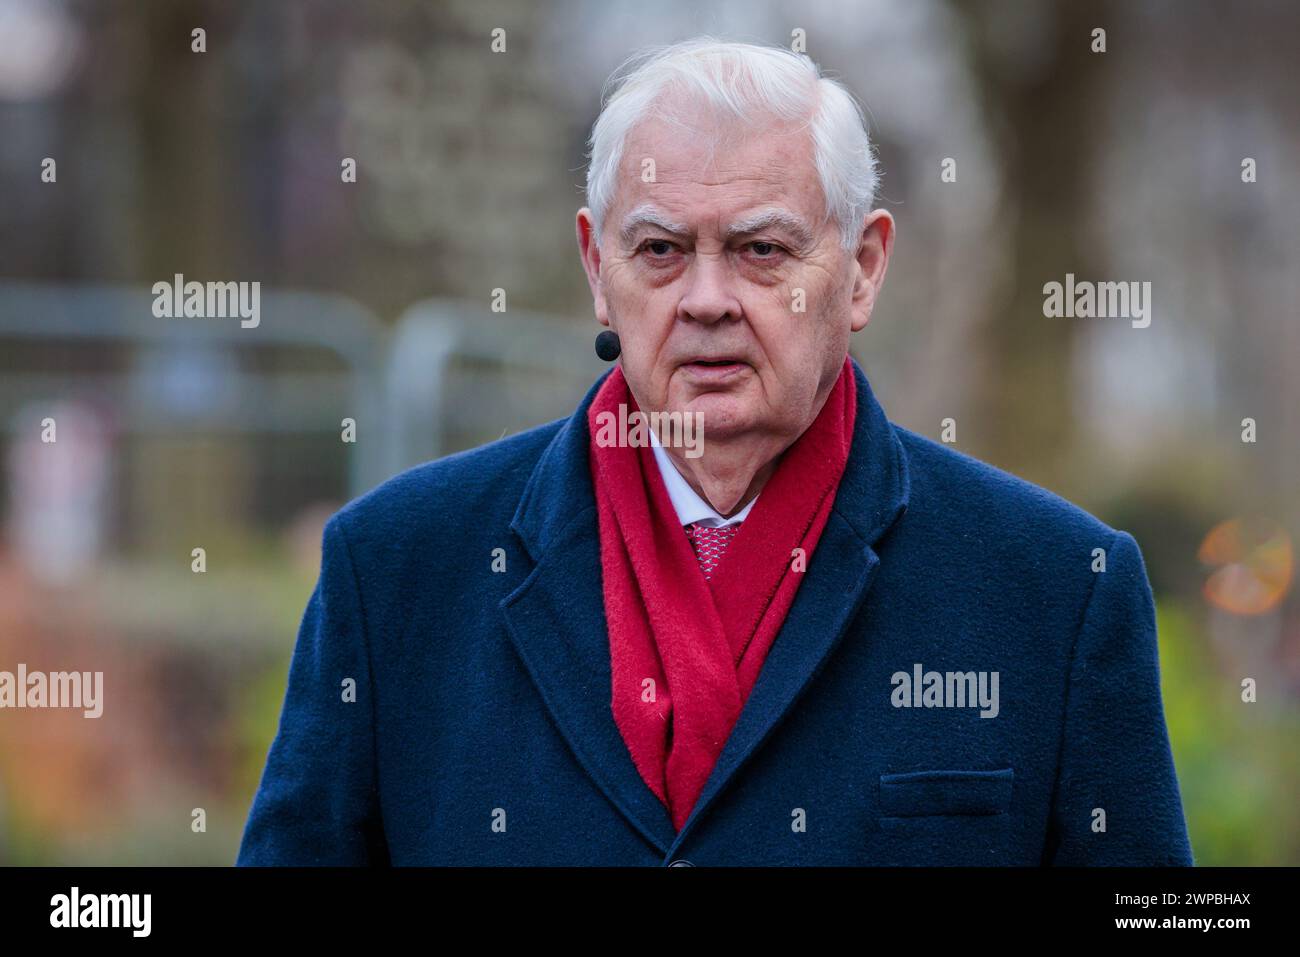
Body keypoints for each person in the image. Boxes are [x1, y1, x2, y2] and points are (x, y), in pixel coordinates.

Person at [237, 38, 1193, 866]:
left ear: (860, 269)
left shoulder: (1058, 591)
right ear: (596, 270)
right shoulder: (397, 569)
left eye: (761, 251)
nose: (704, 299)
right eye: (658, 250)